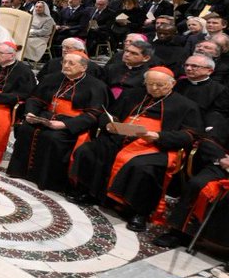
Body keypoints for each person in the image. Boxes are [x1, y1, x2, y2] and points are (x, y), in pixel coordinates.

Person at [68, 67, 199, 231]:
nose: (154, 89)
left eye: (160, 85)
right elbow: (109, 114)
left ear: (172, 84)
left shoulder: (186, 106)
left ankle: (138, 212)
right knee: (89, 150)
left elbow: (190, 135)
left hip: (155, 145)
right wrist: (110, 124)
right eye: (150, 84)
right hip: (120, 137)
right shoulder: (133, 94)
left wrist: (159, 136)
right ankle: (89, 192)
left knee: (144, 169)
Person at [7, 52, 107, 191]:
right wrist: (31, 113)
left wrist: (65, 125)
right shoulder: (51, 78)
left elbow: (94, 114)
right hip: (46, 116)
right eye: (64, 62)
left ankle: (46, 181)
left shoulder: (96, 86)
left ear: (83, 67)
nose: (66, 65)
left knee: (52, 137)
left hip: (72, 122)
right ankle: (20, 171)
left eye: (71, 63)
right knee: (26, 129)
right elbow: (35, 99)